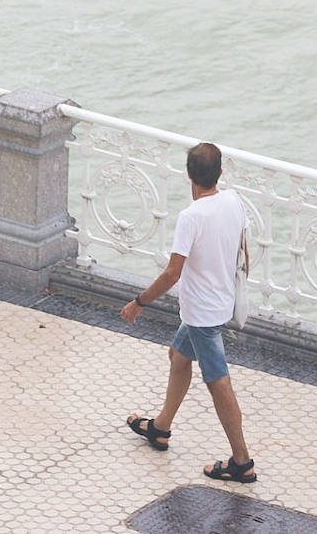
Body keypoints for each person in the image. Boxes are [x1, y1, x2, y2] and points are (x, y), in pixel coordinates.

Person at [120, 141, 256, 483]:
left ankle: (242, 461)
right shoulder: (234, 200)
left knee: (218, 382)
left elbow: (172, 273)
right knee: (178, 356)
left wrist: (139, 302)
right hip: (221, 303)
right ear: (220, 173)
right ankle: (161, 428)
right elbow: (243, 251)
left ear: (188, 175)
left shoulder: (190, 217)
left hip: (203, 316)